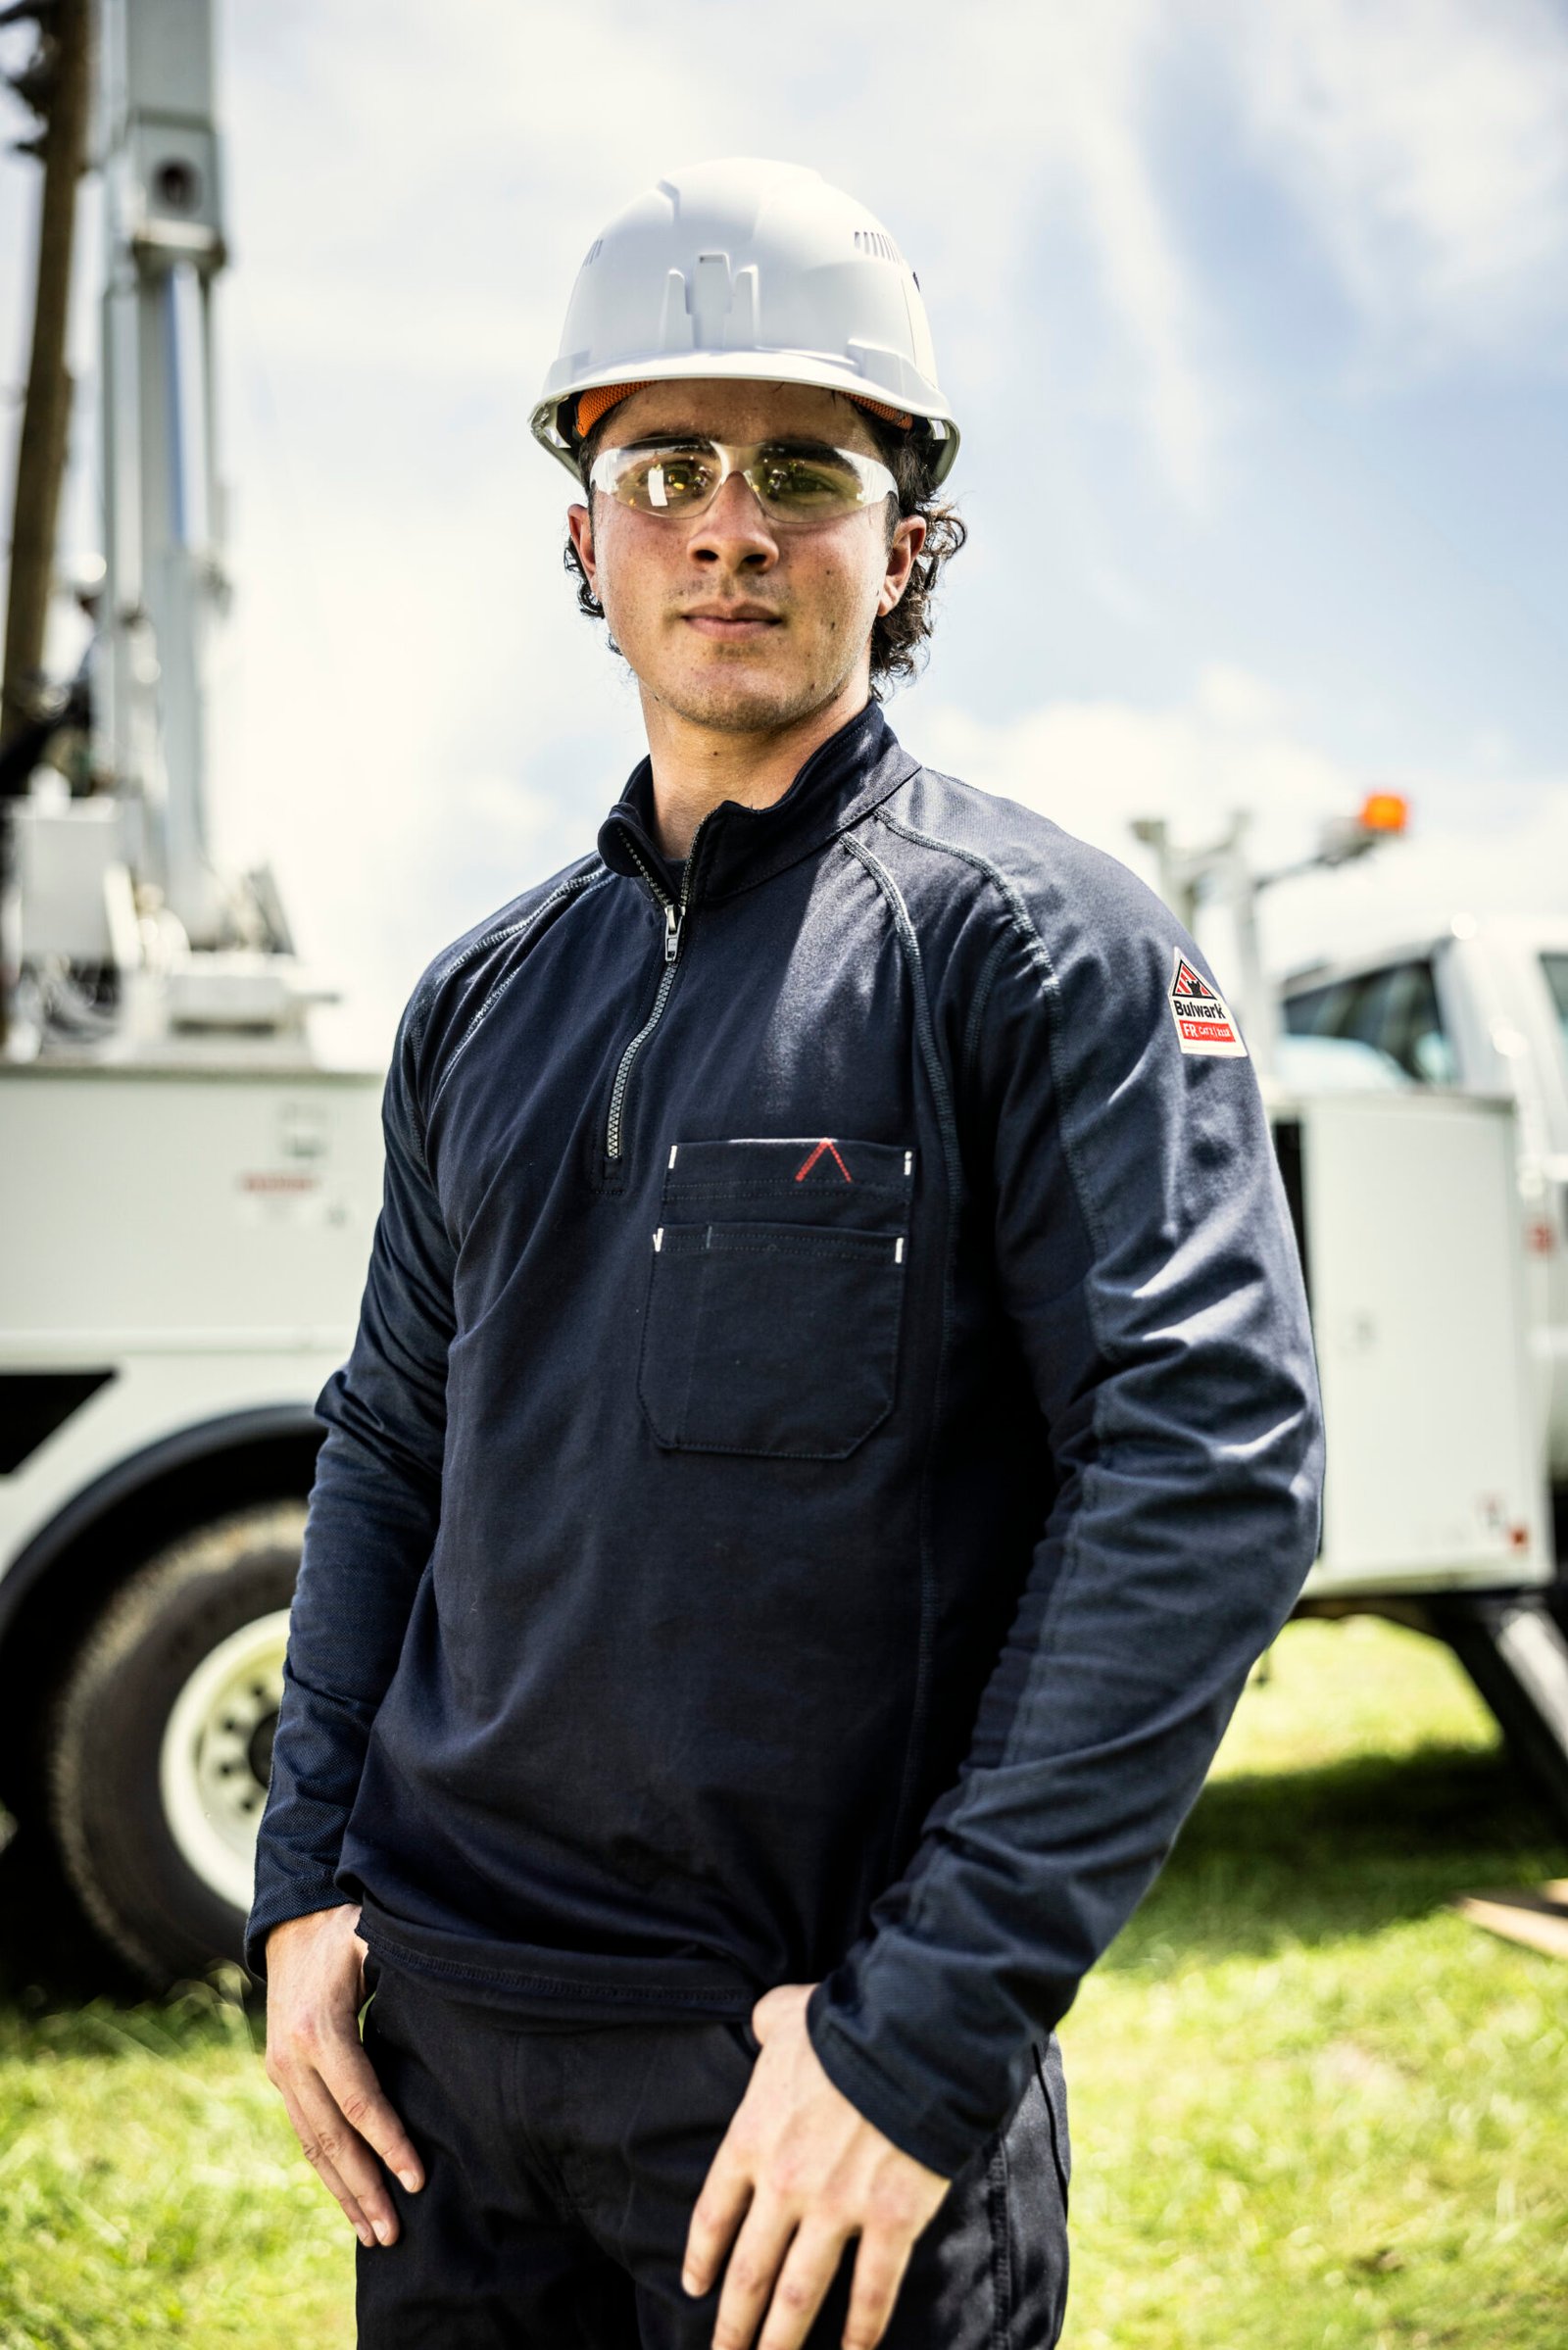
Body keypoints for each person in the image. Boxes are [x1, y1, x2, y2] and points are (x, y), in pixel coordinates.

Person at [251, 157, 1324, 2350]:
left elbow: (1205, 1467)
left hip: (791, 2095)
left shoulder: (1033, 944)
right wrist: (301, 1892)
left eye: (803, 471)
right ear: (584, 533)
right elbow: (388, 1442)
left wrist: (916, 2042)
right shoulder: (480, 996)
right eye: (667, 468)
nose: (729, 525)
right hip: (448, 2088)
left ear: (902, 540)